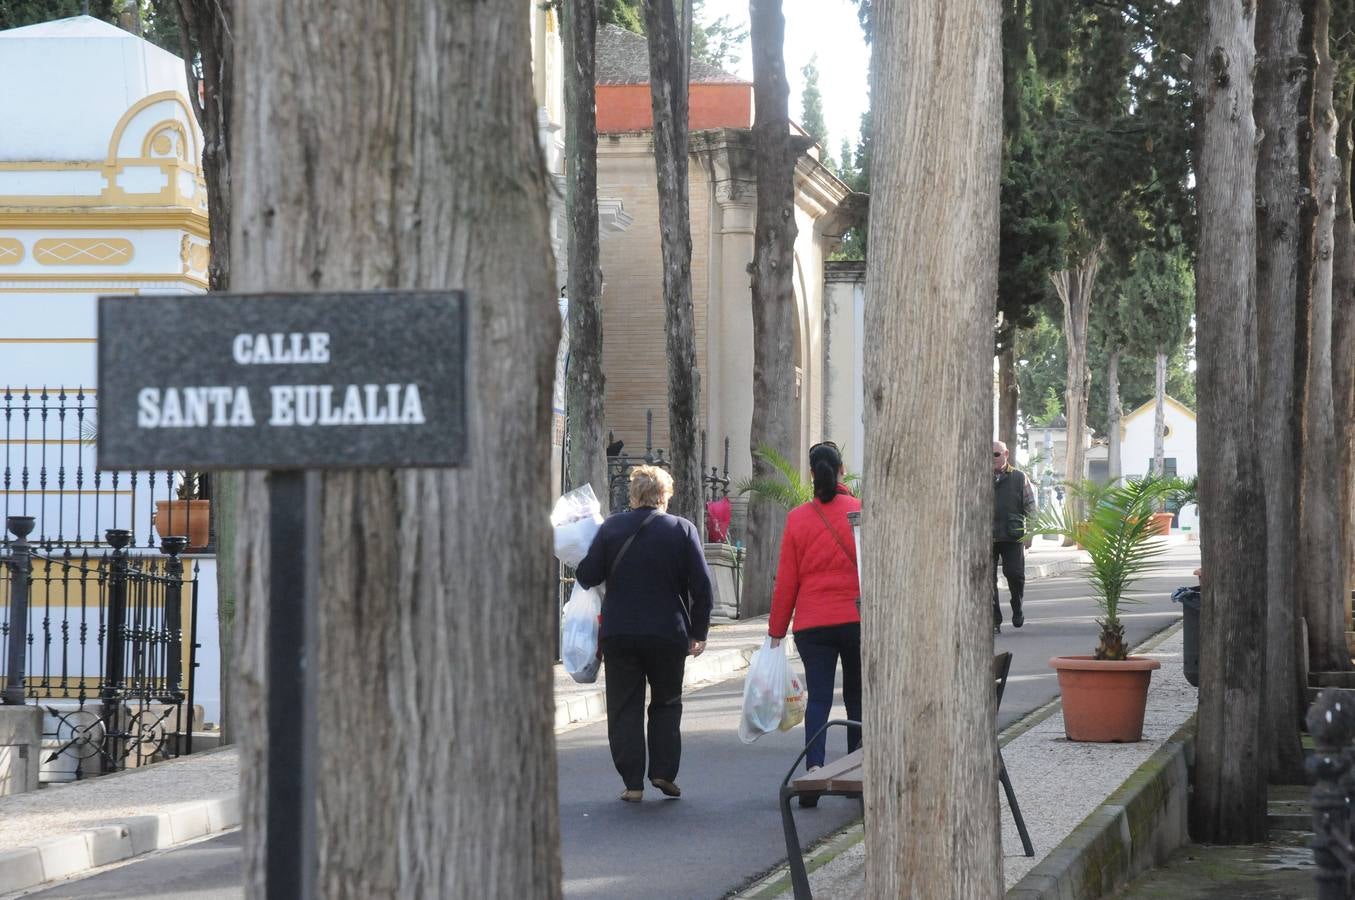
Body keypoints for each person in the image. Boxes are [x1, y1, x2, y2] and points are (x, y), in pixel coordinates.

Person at [575, 465, 714, 803]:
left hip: (620, 632)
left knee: (624, 706)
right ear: (665, 496)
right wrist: (698, 631)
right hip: (667, 632)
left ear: (633, 495)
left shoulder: (611, 528)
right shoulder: (682, 529)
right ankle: (664, 772)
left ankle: (632, 782)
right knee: (667, 702)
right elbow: (703, 587)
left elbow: (587, 575)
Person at [768, 441, 862, 790]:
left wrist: (776, 629)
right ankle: (856, 769)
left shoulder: (797, 519)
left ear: (811, 473)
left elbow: (787, 580)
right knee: (857, 697)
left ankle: (814, 770)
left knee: (819, 698)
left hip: (812, 624)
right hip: (856, 620)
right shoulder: (860, 511)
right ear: (841, 470)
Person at [993, 440, 1037, 634]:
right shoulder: (977, 477)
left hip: (1012, 536)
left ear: (1006, 454)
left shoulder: (1019, 477)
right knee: (986, 581)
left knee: (1015, 575)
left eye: (996, 454)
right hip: (986, 537)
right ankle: (994, 619)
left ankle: (1017, 606)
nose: (992, 459)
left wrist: (1030, 534)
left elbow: (1031, 508)